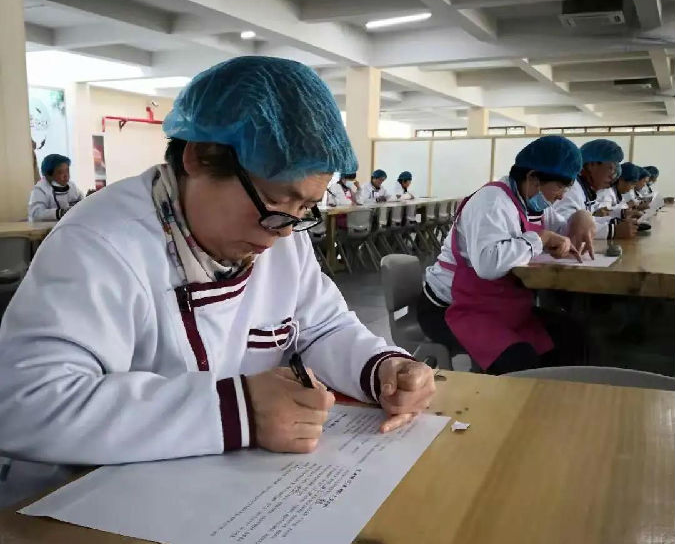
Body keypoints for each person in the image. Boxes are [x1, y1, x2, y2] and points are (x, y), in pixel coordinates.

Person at [0, 57, 434, 465]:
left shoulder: (282, 236)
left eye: (305, 208)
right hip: (84, 496)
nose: (284, 231)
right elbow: (25, 404)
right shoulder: (101, 243)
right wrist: (236, 411)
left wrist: (382, 368)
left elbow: (324, 328)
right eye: (275, 199)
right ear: (198, 157)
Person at [417, 136, 592, 375]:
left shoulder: (532, 204)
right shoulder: (492, 202)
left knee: (570, 334)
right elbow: (488, 264)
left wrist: (581, 217)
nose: (561, 196)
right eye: (560, 187)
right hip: (450, 308)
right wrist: (540, 239)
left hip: (497, 304)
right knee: (520, 360)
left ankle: (560, 393)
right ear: (533, 178)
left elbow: (561, 230)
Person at [552, 138, 636, 241]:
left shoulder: (585, 189)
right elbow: (563, 225)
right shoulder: (571, 189)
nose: (612, 176)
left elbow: (587, 221)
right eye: (610, 168)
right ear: (592, 165)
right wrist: (612, 230)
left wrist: (613, 221)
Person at [28, 153, 83, 222]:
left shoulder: (71, 186)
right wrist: (61, 213)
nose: (66, 176)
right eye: (60, 172)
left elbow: (82, 202)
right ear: (49, 174)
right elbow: (36, 214)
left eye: (67, 171)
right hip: (45, 227)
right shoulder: (40, 189)